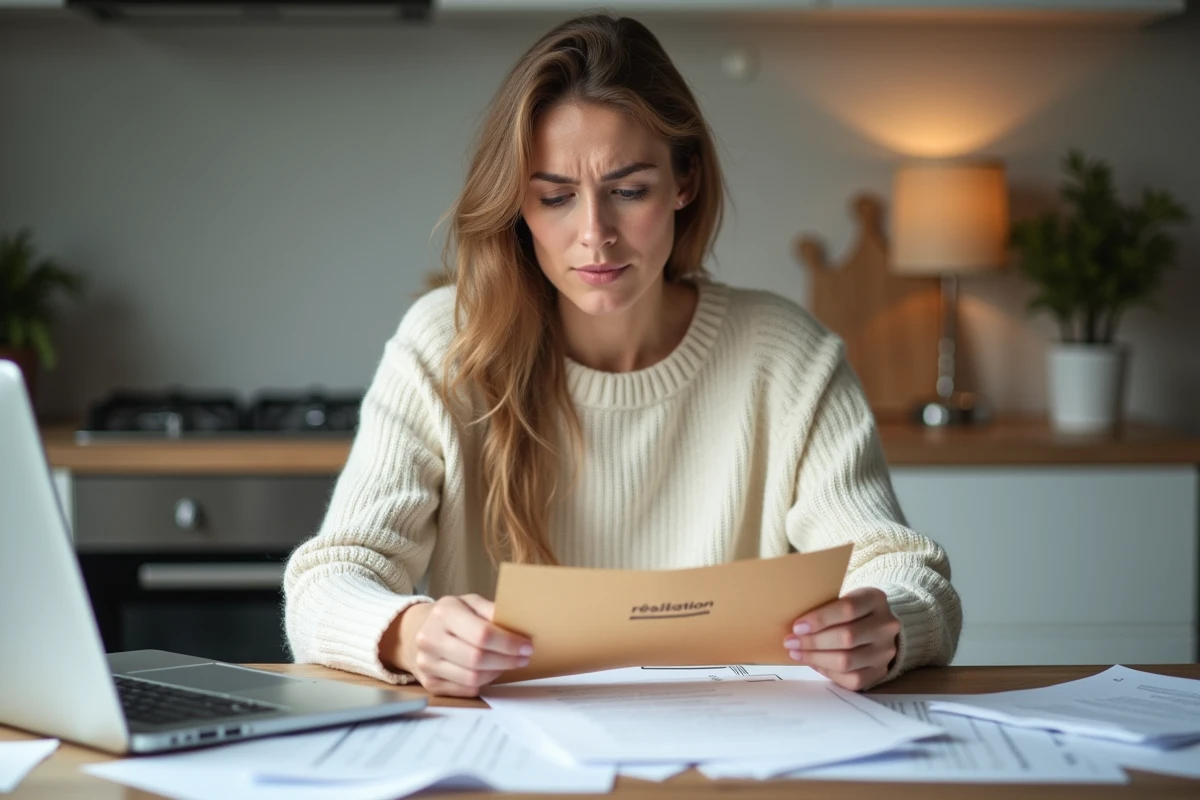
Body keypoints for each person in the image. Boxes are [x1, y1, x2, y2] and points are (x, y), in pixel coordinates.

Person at [284, 13, 961, 698]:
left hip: (735, 753)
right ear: (517, 205)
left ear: (684, 181)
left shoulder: (789, 357)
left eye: (628, 191)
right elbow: (328, 580)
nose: (594, 236)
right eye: (555, 198)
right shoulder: (445, 345)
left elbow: (901, 567)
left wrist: (890, 625)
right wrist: (410, 631)